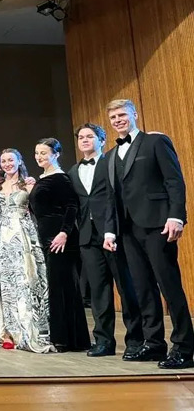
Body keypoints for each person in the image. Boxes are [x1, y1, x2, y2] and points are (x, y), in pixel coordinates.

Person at [103, 99, 193, 369]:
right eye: (113, 117)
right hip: (127, 230)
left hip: (158, 225)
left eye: (122, 115)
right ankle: (154, 343)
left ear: (134, 114)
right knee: (142, 288)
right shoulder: (110, 156)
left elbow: (174, 180)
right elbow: (111, 196)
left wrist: (176, 215)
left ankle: (185, 347)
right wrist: (110, 230)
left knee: (169, 285)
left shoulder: (155, 142)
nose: (118, 120)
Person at [68, 124, 143, 358]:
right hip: (87, 237)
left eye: (90, 136)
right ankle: (103, 341)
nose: (84, 140)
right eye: (81, 137)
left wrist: (113, 229)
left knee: (125, 287)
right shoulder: (73, 171)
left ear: (101, 140)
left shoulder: (110, 162)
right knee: (98, 291)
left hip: (114, 233)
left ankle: (135, 340)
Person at [0, 148, 53, 353]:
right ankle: (6, 332)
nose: (7, 164)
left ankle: (27, 330)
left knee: (24, 281)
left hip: (23, 234)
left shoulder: (28, 184)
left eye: (10, 160)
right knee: (3, 282)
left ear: (19, 161)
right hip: (2, 237)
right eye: (3, 161)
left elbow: (39, 210)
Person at [30, 138, 90, 352]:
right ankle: (65, 337)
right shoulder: (44, 177)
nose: (39, 157)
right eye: (37, 153)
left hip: (60, 239)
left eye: (44, 153)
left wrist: (64, 233)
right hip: (48, 237)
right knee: (57, 287)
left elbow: (72, 206)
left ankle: (68, 339)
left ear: (55, 154)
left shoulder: (60, 178)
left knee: (63, 287)